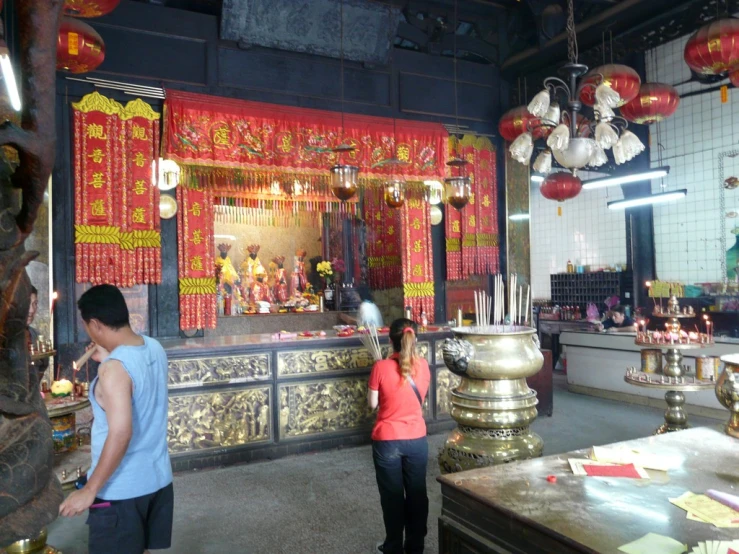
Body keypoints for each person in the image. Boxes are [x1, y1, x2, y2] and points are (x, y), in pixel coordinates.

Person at [59, 284, 173, 554]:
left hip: (122, 490)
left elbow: (121, 432)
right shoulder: (154, 348)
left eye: (87, 326)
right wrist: (109, 356)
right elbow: (137, 383)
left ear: (96, 324)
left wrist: (90, 489)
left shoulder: (114, 369)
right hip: (157, 481)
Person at [368, 318, 430, 554]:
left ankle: (393, 546)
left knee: (392, 496)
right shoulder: (423, 366)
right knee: (417, 492)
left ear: (389, 340)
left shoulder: (380, 367)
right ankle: (416, 546)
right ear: (414, 340)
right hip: (417, 439)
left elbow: (372, 404)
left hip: (387, 441)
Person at [27, 285, 48, 378]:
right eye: (27, 303)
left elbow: (42, 367)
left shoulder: (36, 337)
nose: (31, 310)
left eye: (35, 303)